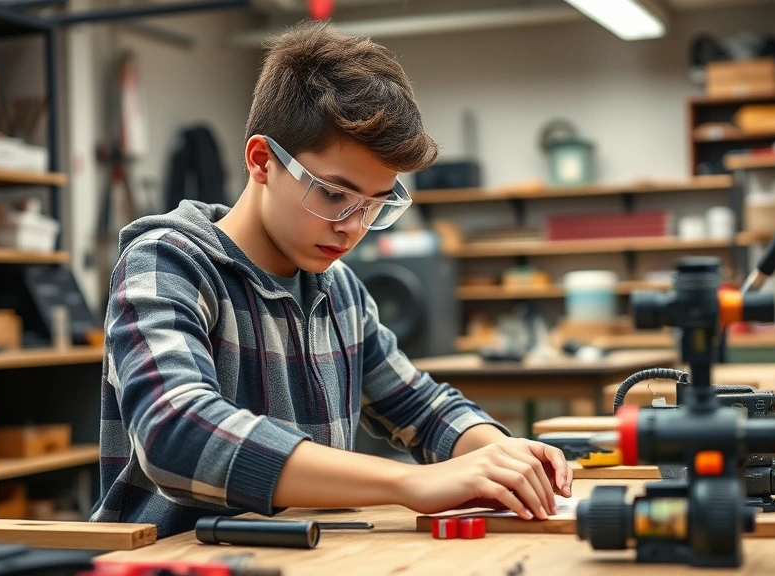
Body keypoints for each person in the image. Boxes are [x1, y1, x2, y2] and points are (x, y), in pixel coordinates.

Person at [91, 20, 572, 537]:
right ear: (261, 161)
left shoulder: (338, 290)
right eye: (334, 195)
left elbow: (422, 407)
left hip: (311, 557)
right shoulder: (168, 265)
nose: (352, 228)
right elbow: (178, 434)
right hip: (179, 561)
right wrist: (408, 483)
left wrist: (500, 455)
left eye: (373, 206)